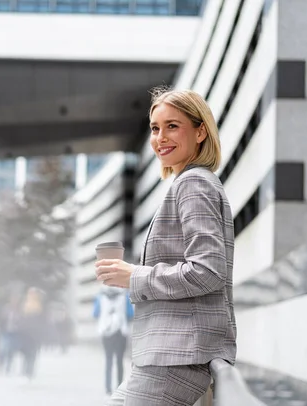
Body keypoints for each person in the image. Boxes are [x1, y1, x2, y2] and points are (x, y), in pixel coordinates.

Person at [95, 88, 236, 406]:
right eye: (155, 128)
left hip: (176, 359)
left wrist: (135, 276)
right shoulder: (193, 182)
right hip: (169, 357)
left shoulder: (194, 183)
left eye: (173, 126)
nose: (161, 137)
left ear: (200, 131)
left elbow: (208, 271)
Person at [93, 286, 134, 396]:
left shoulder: (100, 296)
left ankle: (108, 388)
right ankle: (119, 386)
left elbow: (95, 313)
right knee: (119, 360)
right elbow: (130, 314)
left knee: (108, 359)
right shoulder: (125, 296)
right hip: (121, 331)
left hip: (106, 331)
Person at [19, 287, 45, 379]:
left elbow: (42, 321)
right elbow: (21, 320)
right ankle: (27, 368)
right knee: (27, 353)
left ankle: (29, 369)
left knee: (32, 353)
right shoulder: (25, 305)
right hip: (26, 334)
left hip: (34, 334)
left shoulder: (39, 305)